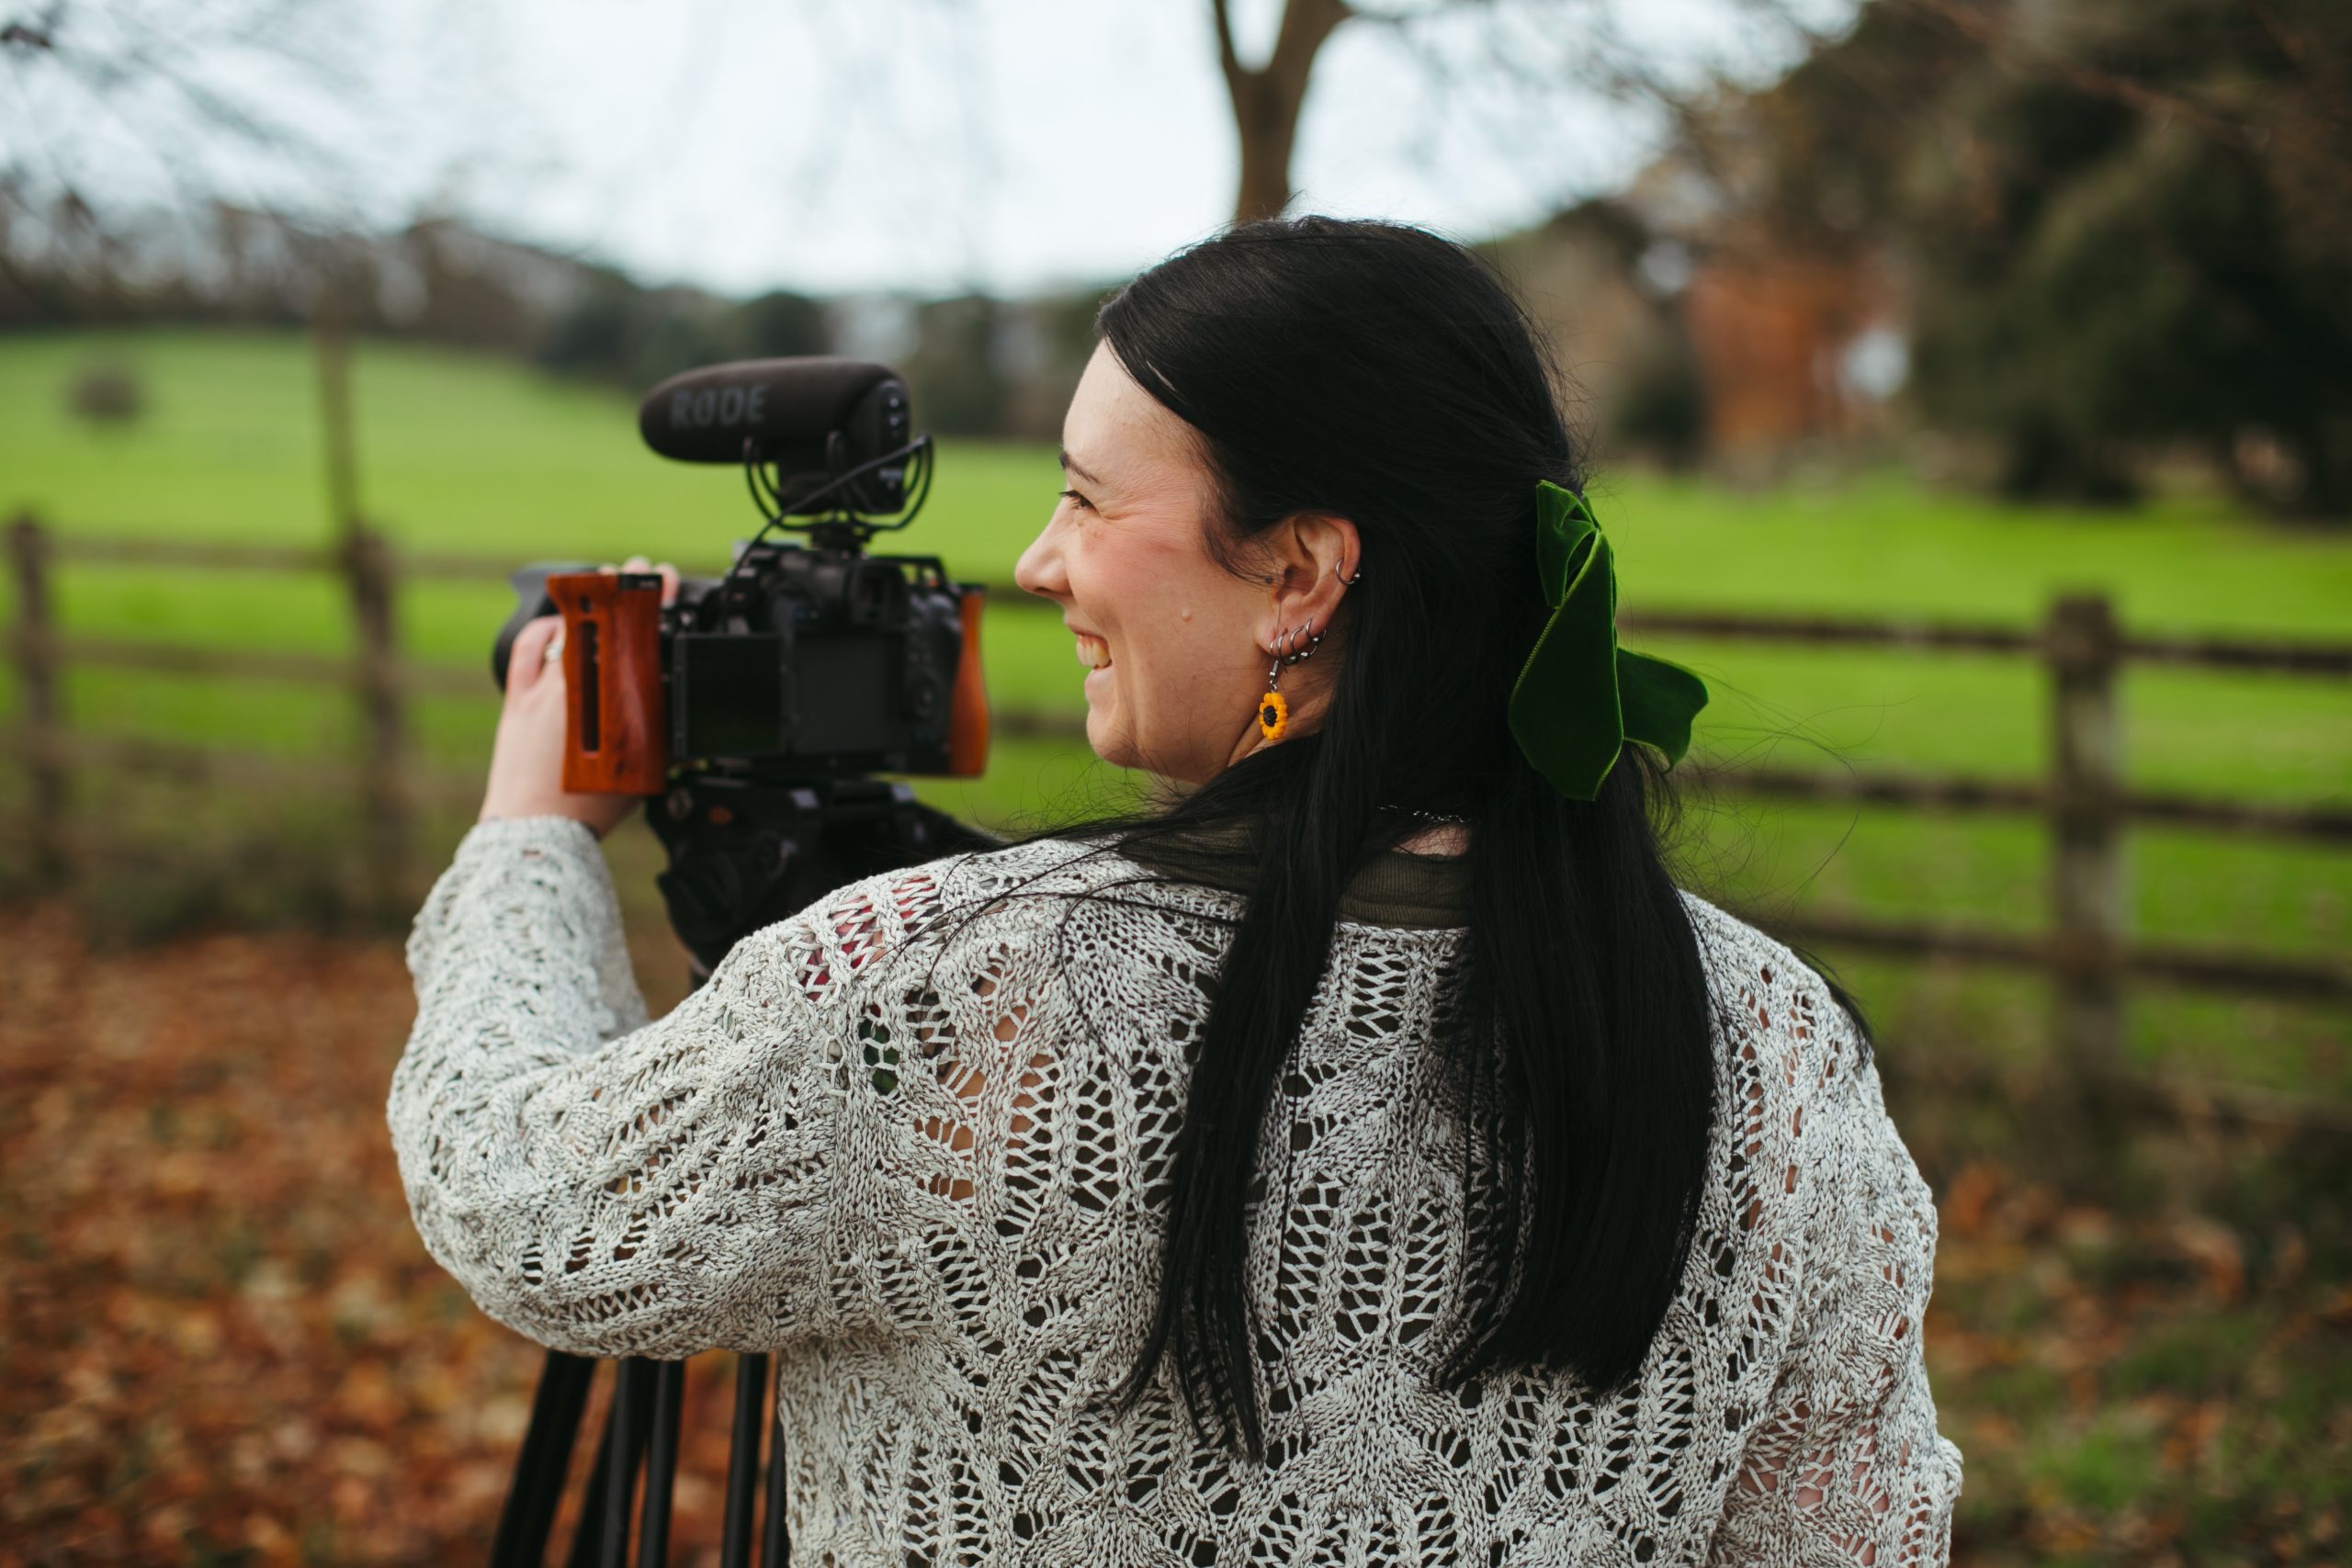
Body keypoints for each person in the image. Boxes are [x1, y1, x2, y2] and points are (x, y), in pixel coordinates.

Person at [392, 216, 1962, 1565]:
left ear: (1300, 574)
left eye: (1086, 498)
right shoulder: (1777, 1047)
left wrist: (529, 831)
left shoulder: (949, 989)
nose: (1034, 560)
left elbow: (519, 1200)